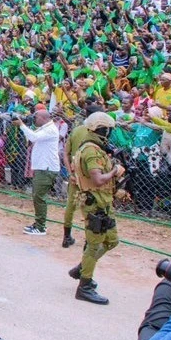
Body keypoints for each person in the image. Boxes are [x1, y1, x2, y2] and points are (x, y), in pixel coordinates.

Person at [68, 112, 124, 305]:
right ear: (103, 130)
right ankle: (84, 285)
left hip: (104, 203)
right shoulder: (91, 151)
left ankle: (83, 268)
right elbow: (98, 179)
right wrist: (115, 171)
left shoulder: (95, 149)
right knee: (93, 245)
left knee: (111, 240)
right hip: (96, 204)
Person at [14, 108, 60, 235]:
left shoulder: (50, 129)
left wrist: (22, 125)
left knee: (39, 197)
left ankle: (40, 227)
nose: (34, 119)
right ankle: (39, 224)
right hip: (43, 167)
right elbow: (32, 137)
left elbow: (33, 137)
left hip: (46, 168)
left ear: (44, 118)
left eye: (37, 117)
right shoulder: (45, 127)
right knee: (37, 196)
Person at [61, 119, 94, 248]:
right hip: (90, 176)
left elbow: (65, 153)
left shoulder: (76, 130)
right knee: (89, 206)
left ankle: (66, 237)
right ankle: (88, 240)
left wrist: (70, 173)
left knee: (71, 205)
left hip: (75, 175)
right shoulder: (96, 133)